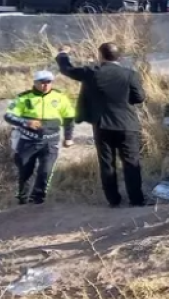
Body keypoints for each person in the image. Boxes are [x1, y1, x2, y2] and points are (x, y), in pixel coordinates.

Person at [57, 43, 146, 208]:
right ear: (119, 57)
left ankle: (113, 200)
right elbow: (139, 97)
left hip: (102, 125)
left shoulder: (91, 73)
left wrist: (63, 54)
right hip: (127, 124)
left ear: (100, 56)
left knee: (106, 163)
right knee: (131, 162)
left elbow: (67, 70)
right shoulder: (130, 74)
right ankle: (136, 199)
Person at [5, 71, 75, 205]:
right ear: (35, 82)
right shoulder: (24, 98)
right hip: (27, 142)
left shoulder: (60, 97)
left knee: (45, 171)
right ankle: (22, 199)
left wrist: (68, 137)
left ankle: (37, 200)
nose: (45, 85)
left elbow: (69, 118)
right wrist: (26, 122)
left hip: (50, 141)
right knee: (25, 172)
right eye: (42, 82)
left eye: (48, 82)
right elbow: (9, 116)